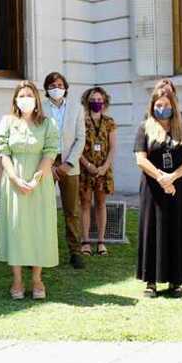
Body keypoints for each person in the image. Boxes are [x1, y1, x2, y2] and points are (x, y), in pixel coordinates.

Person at [0, 81, 59, 300]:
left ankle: (37, 278)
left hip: (39, 183)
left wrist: (35, 179)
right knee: (16, 228)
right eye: (21, 95)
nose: (25, 99)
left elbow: (50, 152)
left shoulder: (47, 124)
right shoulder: (7, 122)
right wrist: (14, 178)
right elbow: (3, 153)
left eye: (29, 95)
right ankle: (17, 280)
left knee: (39, 228)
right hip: (14, 182)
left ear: (37, 99)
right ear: (15, 99)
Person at [135, 88, 182, 298]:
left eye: (167, 105)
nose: (163, 109)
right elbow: (141, 159)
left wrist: (172, 177)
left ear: (174, 105)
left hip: (178, 187)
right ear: (152, 106)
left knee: (176, 229)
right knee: (152, 230)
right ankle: (150, 281)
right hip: (153, 188)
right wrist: (162, 178)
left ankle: (176, 280)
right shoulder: (145, 127)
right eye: (159, 105)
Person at [41, 72, 86, 269]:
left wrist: (69, 163)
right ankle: (42, 250)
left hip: (70, 163)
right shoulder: (40, 108)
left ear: (65, 87)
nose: (56, 88)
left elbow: (81, 138)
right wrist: (48, 164)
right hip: (46, 162)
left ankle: (75, 252)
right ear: (47, 89)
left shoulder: (76, 108)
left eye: (59, 85)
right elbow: (38, 137)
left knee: (72, 210)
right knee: (43, 208)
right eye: (52, 85)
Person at [78, 87, 117, 257]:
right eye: (94, 99)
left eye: (100, 100)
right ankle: (85, 241)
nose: (97, 102)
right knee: (85, 204)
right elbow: (76, 146)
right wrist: (87, 165)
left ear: (105, 102)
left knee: (101, 204)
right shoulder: (81, 121)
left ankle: (101, 242)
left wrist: (104, 167)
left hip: (103, 170)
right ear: (87, 101)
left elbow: (113, 147)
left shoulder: (109, 122)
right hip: (85, 170)